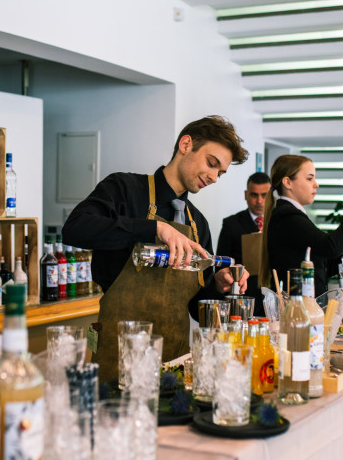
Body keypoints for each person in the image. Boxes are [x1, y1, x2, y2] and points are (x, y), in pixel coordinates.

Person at [62, 115, 250, 380]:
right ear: (186, 144)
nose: (214, 177)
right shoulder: (124, 189)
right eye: (211, 163)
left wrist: (218, 287)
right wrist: (153, 228)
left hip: (175, 366)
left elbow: (195, 308)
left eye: (220, 173)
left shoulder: (199, 224)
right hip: (119, 360)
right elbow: (75, 228)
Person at [259, 154, 343, 297]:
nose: (316, 184)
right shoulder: (287, 216)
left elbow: (319, 268)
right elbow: (330, 246)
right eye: (309, 178)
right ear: (288, 182)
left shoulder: (292, 214)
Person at [216, 172, 270, 315]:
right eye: (254, 195)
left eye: (264, 195)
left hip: (274, 301)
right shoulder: (231, 224)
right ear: (246, 195)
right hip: (243, 301)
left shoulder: (280, 223)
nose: (259, 201)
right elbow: (221, 264)